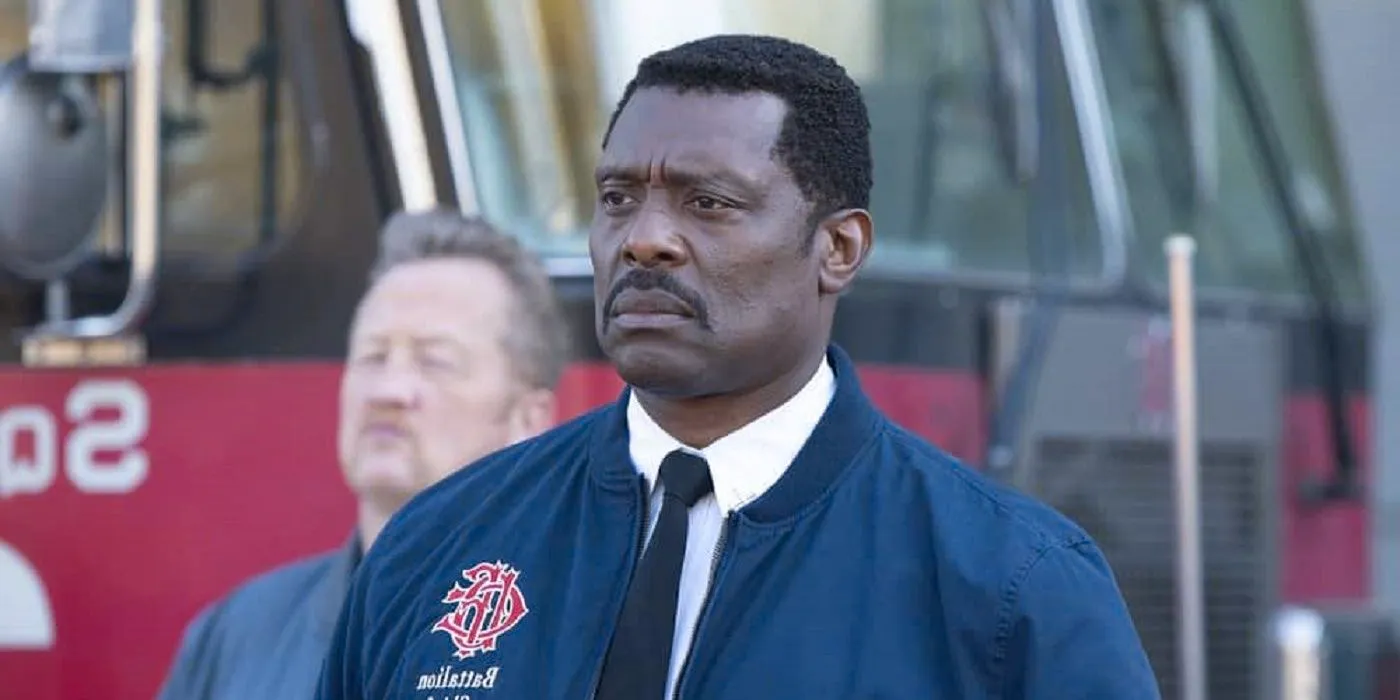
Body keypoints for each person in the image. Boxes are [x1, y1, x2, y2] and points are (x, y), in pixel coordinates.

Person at [315, 35, 1160, 699]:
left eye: (708, 203)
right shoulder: (439, 544)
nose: (643, 237)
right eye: (616, 199)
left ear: (838, 247)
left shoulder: (1010, 586)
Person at [155, 209, 570, 700]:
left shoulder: (588, 633)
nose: (389, 389)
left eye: (434, 360)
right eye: (374, 356)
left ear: (528, 420)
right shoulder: (237, 635)